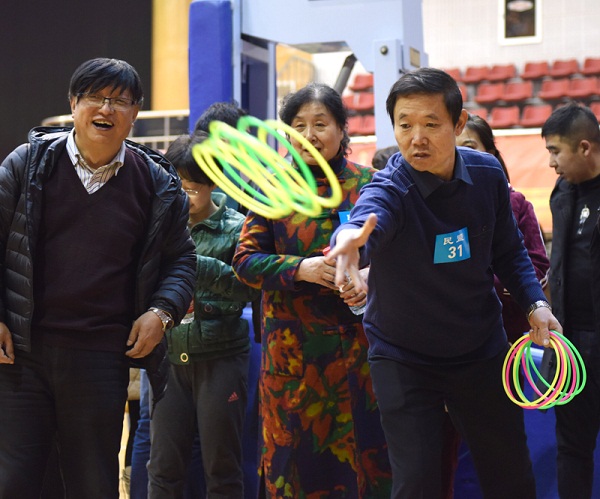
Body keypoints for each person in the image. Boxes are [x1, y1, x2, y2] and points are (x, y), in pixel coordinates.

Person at [325, 67, 562, 499]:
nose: (417, 137)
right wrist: (349, 242)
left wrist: (535, 304)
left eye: (431, 124)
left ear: (457, 124)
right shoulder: (391, 186)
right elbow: (367, 219)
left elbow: (509, 252)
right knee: (416, 482)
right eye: (405, 125)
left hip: (478, 350)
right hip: (403, 356)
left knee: (511, 475)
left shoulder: (487, 176)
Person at [0, 57, 196, 499]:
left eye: (119, 101)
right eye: (94, 98)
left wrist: (161, 312)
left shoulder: (157, 184)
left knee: (94, 484)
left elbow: (181, 260)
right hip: (22, 354)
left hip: (99, 357)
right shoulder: (27, 164)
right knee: (16, 481)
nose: (105, 109)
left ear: (135, 114)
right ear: (73, 104)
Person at [232, 82, 392, 498]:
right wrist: (301, 269)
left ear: (342, 129)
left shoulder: (371, 184)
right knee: (293, 468)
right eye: (298, 126)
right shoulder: (271, 188)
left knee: (369, 466)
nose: (310, 135)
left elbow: (399, 259)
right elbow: (245, 262)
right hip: (293, 363)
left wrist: (369, 279)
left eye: (320, 123)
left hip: (361, 359)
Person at [147, 131, 260, 498]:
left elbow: (247, 289)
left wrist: (198, 267)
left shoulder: (236, 228)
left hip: (221, 357)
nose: (185, 196)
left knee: (222, 467)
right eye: (177, 185)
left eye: (193, 187)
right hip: (168, 357)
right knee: (163, 466)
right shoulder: (159, 226)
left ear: (212, 184)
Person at [541, 102, 600, 499]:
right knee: (571, 448)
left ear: (584, 148)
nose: (550, 163)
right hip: (570, 344)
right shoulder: (561, 191)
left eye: (555, 152)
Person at [457, 113, 550, 343]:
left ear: (491, 154)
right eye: (455, 148)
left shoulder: (517, 203)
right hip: (457, 333)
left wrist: (491, 288)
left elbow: (535, 265)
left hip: (511, 333)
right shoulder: (438, 206)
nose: (462, 156)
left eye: (470, 146)